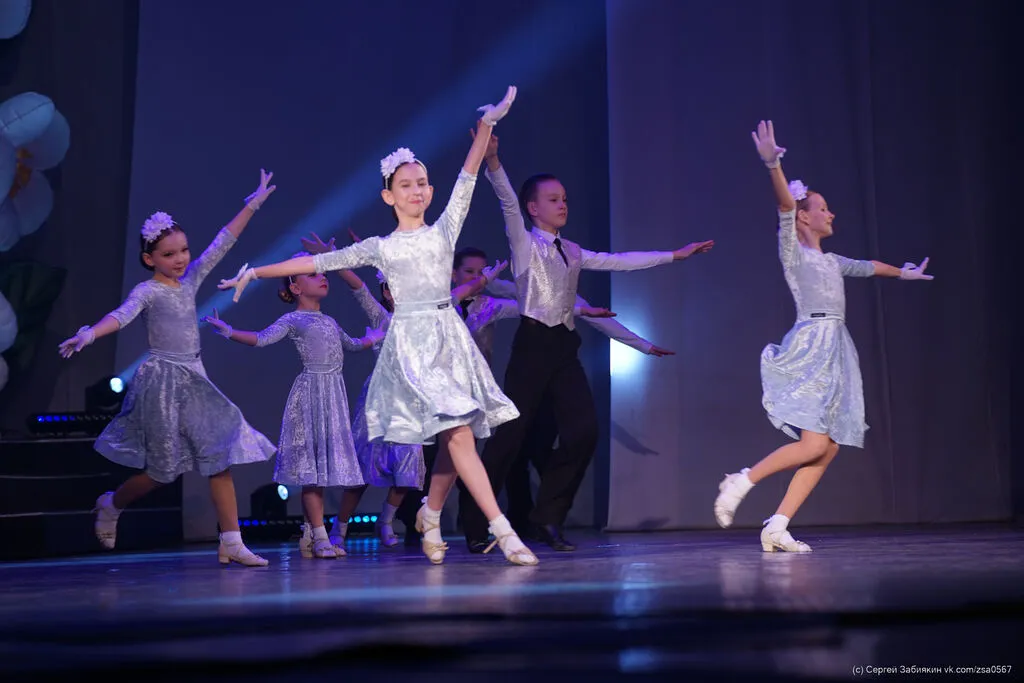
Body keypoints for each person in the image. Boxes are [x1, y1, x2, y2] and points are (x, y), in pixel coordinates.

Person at [218, 87, 538, 565]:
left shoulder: (444, 228)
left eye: (422, 182)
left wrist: (488, 123)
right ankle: (504, 531)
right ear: (389, 195)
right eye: (406, 184)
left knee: (458, 433)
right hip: (411, 346)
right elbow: (317, 261)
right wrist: (257, 272)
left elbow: (468, 176)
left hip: (450, 340)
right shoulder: (381, 247)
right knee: (458, 432)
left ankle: (430, 513)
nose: (417, 190)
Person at [460, 133, 714, 552]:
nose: (563, 205)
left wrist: (675, 255)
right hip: (532, 347)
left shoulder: (573, 251)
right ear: (533, 208)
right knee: (509, 439)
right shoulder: (524, 244)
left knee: (584, 432)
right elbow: (507, 202)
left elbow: (620, 262)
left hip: (563, 348)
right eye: (553, 199)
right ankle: (475, 523)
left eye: (565, 199)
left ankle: (547, 518)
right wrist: (493, 162)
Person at [713, 121, 933, 552]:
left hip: (836, 348)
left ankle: (777, 525)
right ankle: (741, 481)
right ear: (805, 216)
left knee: (827, 447)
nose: (831, 214)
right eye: (824, 208)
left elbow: (869, 266)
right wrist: (773, 164)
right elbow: (784, 205)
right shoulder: (793, 251)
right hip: (811, 344)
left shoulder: (831, 260)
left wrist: (903, 273)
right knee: (815, 442)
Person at [58, 171, 279, 567]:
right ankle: (112, 504)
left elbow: (222, 242)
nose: (180, 259)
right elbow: (121, 316)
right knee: (162, 472)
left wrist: (253, 203)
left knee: (218, 456)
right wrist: (89, 334)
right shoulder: (147, 291)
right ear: (150, 259)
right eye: (169, 254)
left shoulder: (190, 280)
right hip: (162, 383)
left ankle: (231, 540)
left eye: (183, 251)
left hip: (195, 378)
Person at [201, 251, 384, 559]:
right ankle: (321, 537)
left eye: (322, 272)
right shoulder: (292, 319)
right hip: (310, 395)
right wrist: (230, 332)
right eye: (312, 274)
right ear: (296, 288)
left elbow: (352, 345)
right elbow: (262, 338)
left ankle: (310, 533)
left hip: (333, 396)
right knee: (310, 470)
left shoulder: (329, 320)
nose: (322, 276)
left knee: (322, 468)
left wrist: (374, 337)